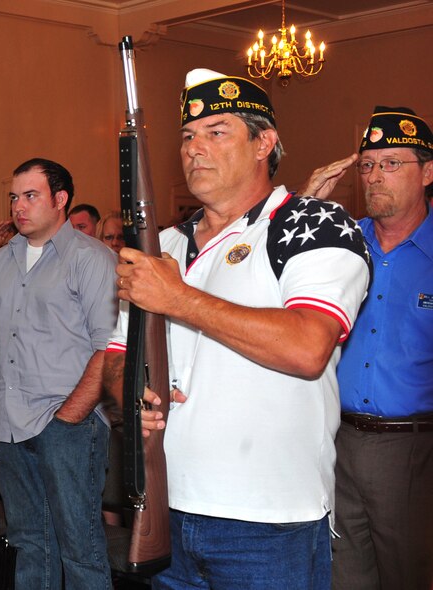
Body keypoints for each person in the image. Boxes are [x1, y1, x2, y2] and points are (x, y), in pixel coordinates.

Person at [106, 69, 371, 589]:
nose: (194, 149)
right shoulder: (162, 246)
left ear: (264, 142)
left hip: (270, 521)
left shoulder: (313, 225)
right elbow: (116, 355)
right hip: (168, 508)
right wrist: (128, 392)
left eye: (217, 131)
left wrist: (179, 298)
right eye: (187, 136)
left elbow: (307, 346)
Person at [0, 158, 118, 589]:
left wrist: (68, 419)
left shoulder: (91, 259)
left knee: (80, 547)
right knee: (30, 544)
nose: (19, 206)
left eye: (30, 195)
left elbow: (108, 349)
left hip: (68, 424)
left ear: (60, 200)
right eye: (14, 197)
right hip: (11, 424)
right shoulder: (1, 262)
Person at [301, 106, 433, 590]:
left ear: (429, 172)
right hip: (337, 439)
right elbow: (266, 283)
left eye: (392, 163)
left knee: (410, 574)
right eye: (368, 164)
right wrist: (304, 205)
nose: (375, 176)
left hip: (414, 446)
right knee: (344, 576)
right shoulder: (340, 243)